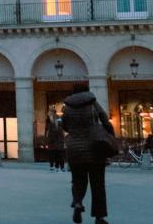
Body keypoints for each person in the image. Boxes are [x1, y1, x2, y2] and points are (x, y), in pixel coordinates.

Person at [62, 82, 113, 224]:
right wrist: (111, 137)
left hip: (74, 149)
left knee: (78, 180)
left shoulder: (67, 107)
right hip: (94, 148)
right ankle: (99, 217)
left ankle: (78, 203)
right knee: (98, 184)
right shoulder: (93, 103)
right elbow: (105, 121)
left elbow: (65, 126)